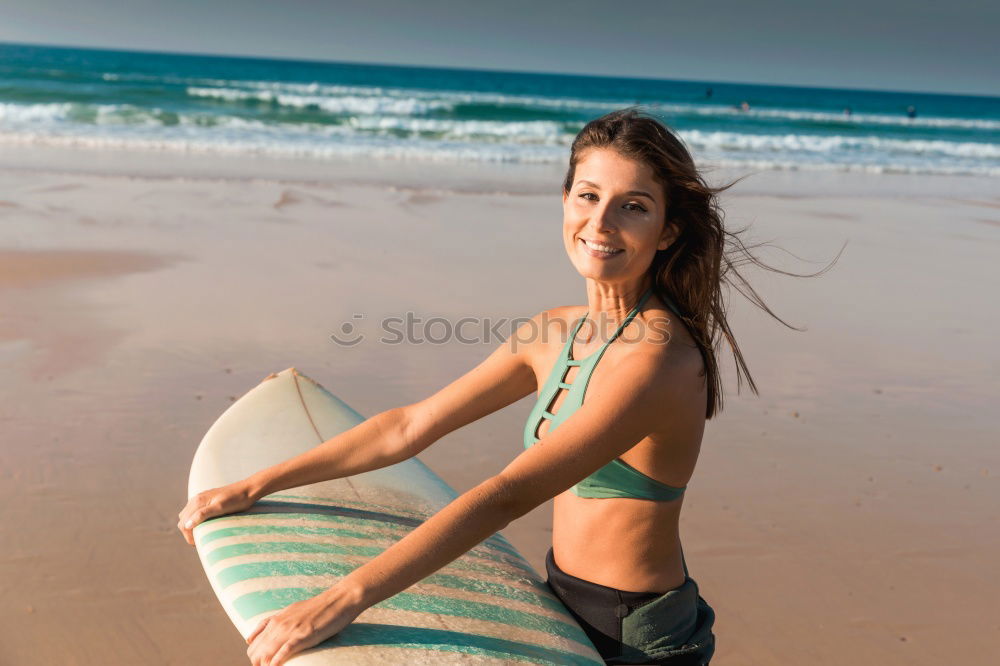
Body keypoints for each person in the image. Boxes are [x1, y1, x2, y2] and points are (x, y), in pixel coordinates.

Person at [179, 107, 827, 665]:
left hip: (639, 635)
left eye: (634, 207)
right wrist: (256, 483)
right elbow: (410, 426)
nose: (601, 224)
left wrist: (344, 598)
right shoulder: (551, 332)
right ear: (565, 201)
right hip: (558, 598)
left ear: (669, 231)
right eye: (588, 195)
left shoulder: (661, 360)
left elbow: (507, 494)